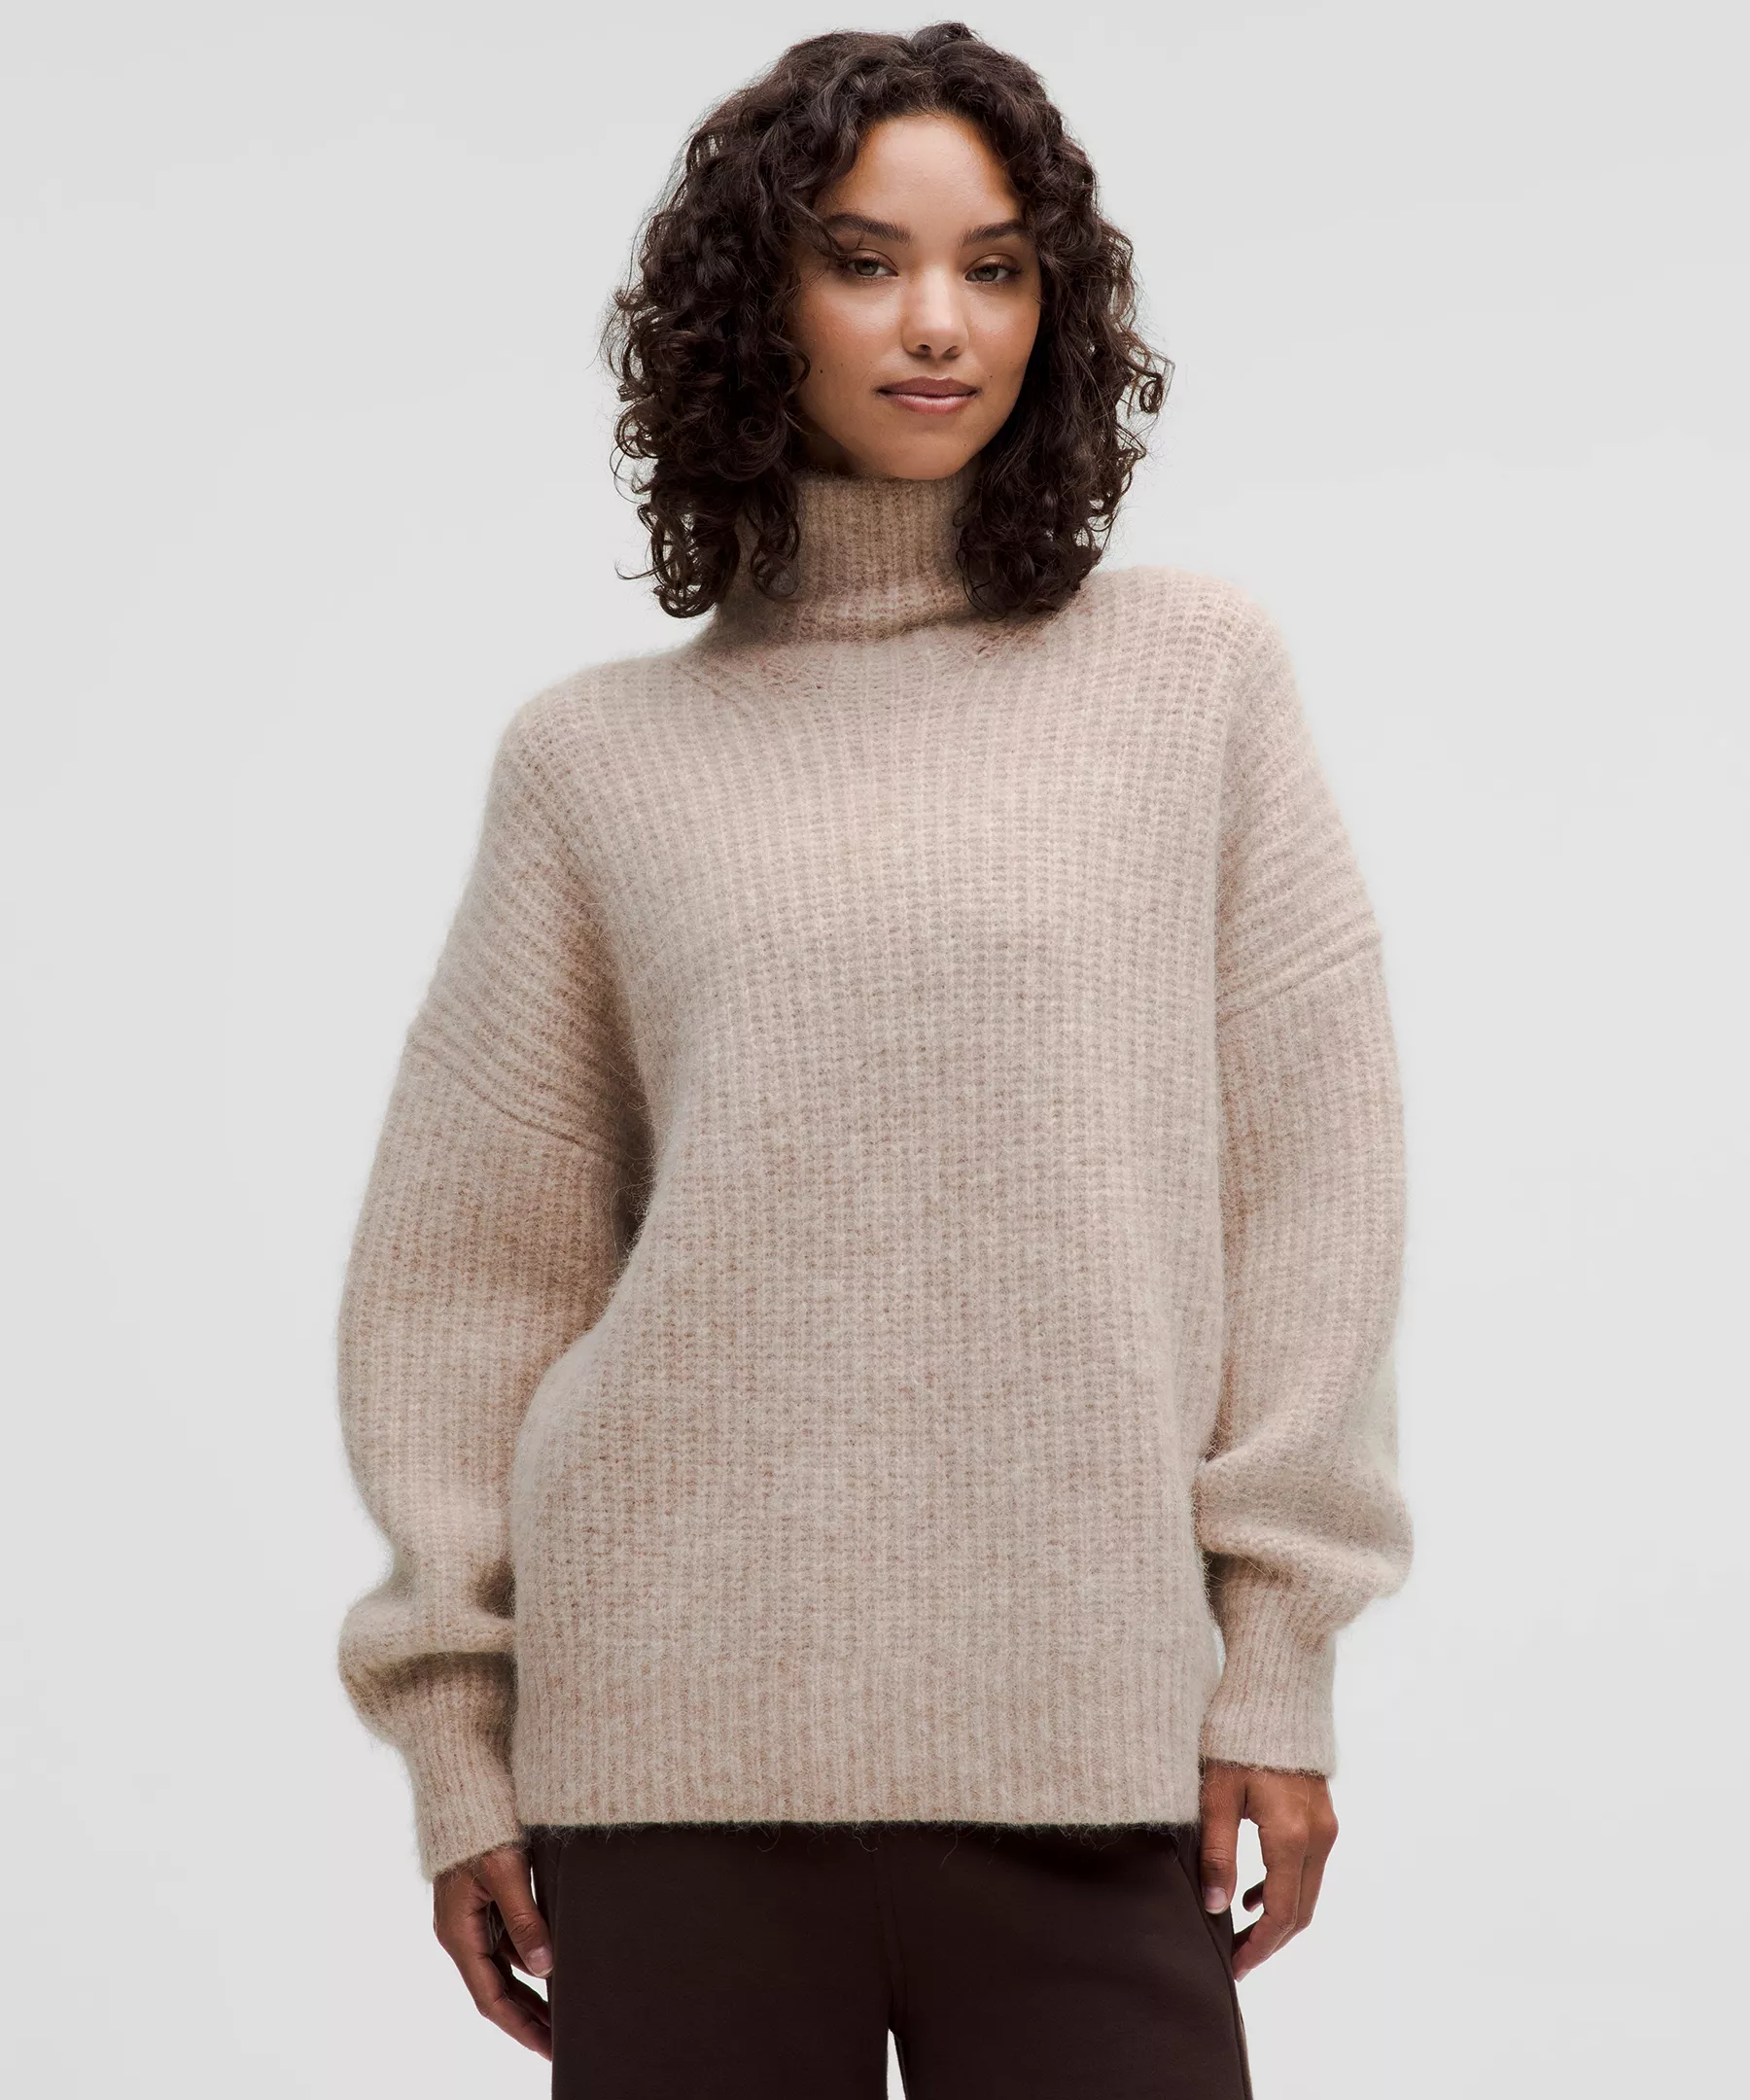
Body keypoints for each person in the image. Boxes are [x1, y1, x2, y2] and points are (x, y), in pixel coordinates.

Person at [333, 22, 1412, 2098]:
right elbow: (470, 1279)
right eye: (865, 261)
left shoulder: (1190, 680)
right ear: (758, 306)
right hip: (668, 1767)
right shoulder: (594, 763)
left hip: (1094, 1746)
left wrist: (1277, 1659)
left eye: (996, 268)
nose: (940, 323)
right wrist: (459, 1745)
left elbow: (1314, 1186)